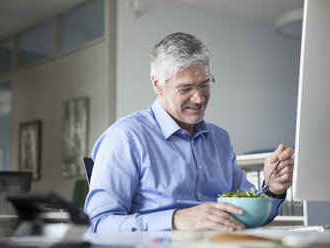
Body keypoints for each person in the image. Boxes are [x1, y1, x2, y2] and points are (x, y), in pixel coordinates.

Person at [84, 32, 294, 232]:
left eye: (204, 84)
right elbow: (98, 224)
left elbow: (245, 217)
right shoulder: (125, 138)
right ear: (157, 84)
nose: (199, 98)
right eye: (185, 89)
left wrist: (272, 189)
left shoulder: (220, 139)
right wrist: (175, 219)